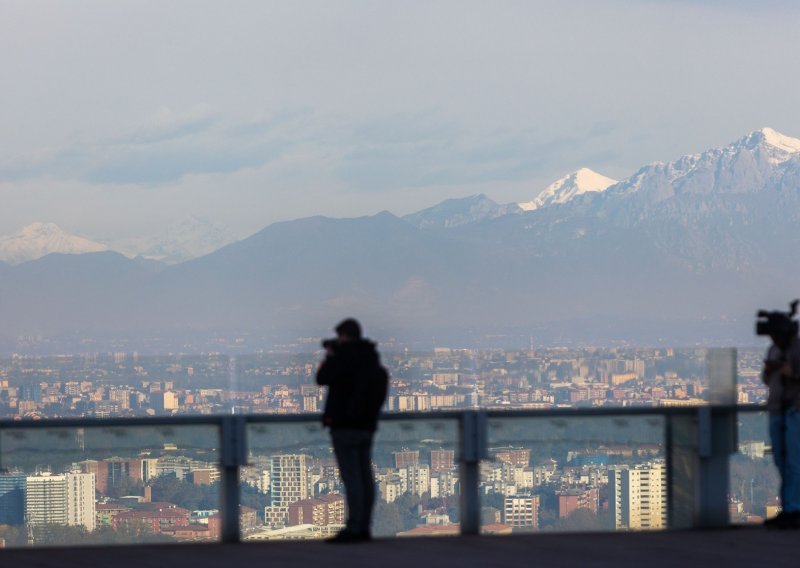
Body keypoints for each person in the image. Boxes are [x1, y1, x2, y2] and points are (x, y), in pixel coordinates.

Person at [316, 318, 388, 543]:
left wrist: (330, 356)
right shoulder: (370, 358)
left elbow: (321, 378)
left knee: (352, 478)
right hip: (366, 426)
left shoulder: (343, 358)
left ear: (344, 336)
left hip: (344, 426)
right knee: (365, 476)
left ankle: (354, 528)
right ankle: (364, 526)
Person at [762, 323, 800, 529]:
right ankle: (788, 508)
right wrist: (770, 371)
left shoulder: (797, 349)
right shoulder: (774, 350)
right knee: (781, 462)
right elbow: (767, 381)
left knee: (794, 463)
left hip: (795, 411)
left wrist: (790, 373)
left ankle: (794, 509)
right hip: (776, 410)